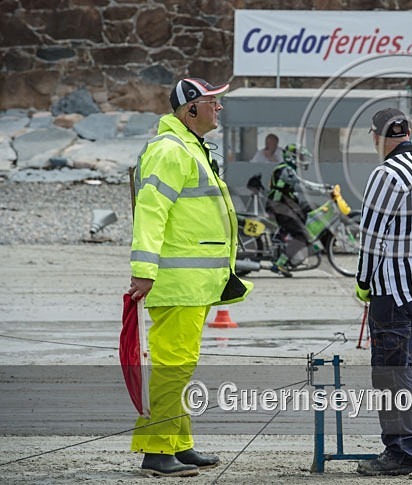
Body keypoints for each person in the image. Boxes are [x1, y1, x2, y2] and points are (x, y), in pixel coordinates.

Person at [128, 77, 252, 477]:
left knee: (179, 365)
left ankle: (178, 444)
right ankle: (158, 451)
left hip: (193, 285)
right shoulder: (170, 150)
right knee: (172, 366)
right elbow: (151, 212)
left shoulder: (189, 148)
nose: (220, 109)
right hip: (176, 283)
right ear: (190, 109)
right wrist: (143, 272)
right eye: (213, 102)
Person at [355, 108, 412, 476]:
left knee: (390, 372)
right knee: (401, 366)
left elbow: (370, 237)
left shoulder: (386, 174)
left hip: (391, 287)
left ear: (378, 137)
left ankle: (403, 451)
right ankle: (406, 445)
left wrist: (362, 281)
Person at [266, 143, 330, 277]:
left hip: (287, 206)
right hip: (280, 208)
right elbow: (302, 185)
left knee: (310, 206)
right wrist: (322, 189)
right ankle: (281, 263)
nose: (302, 160)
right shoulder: (285, 170)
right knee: (302, 234)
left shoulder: (287, 169)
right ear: (291, 157)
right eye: (300, 157)